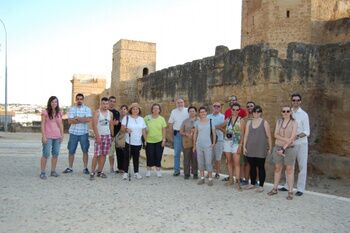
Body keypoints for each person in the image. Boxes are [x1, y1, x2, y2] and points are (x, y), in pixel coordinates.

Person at [279, 93, 310, 197]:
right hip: (290, 144)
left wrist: (295, 137)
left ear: (300, 101)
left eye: (297, 100)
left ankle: (300, 188)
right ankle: (287, 185)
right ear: (291, 101)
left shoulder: (304, 115)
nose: (295, 102)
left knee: (302, 166)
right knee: (289, 165)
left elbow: (307, 131)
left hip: (301, 144)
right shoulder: (288, 112)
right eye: (294, 100)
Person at [268, 106, 298, 200]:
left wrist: (283, 148)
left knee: (289, 169)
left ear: (290, 112)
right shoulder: (279, 122)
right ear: (281, 112)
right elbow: (275, 135)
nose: (285, 112)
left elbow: (293, 137)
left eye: (287, 111)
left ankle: (290, 191)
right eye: (284, 111)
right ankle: (275, 188)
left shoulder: (294, 123)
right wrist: (286, 140)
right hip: (278, 147)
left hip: (289, 149)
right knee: (277, 168)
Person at [243, 105, 272, 192]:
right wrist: (244, 146)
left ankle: (261, 185)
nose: (256, 113)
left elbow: (269, 136)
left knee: (261, 167)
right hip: (250, 148)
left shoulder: (265, 123)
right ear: (252, 113)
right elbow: (246, 135)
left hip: (261, 148)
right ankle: (252, 183)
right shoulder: (249, 122)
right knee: (252, 166)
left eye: (258, 112)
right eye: (255, 111)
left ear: (261, 113)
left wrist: (270, 147)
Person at [63, 93, 92, 174]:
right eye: (78, 99)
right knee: (71, 151)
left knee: (85, 151)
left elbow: (89, 119)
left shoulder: (87, 109)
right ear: (76, 100)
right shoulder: (72, 109)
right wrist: (83, 119)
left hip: (84, 133)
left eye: (81, 99)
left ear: (83, 100)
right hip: (73, 133)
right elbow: (70, 121)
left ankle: (85, 168)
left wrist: (77, 118)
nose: (79, 100)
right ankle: (70, 168)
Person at [40, 96, 64, 179]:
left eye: (56, 102)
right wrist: (43, 136)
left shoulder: (59, 112)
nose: (54, 103)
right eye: (53, 102)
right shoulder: (45, 112)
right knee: (46, 154)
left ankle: (53, 171)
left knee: (55, 154)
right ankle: (42, 172)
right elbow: (42, 125)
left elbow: (61, 125)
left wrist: (62, 135)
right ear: (50, 102)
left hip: (57, 136)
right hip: (48, 136)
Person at [222, 103, 245, 191]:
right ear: (231, 110)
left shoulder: (241, 120)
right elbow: (220, 126)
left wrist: (241, 145)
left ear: (239, 111)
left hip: (236, 143)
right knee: (229, 161)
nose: (235, 111)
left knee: (237, 163)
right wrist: (225, 132)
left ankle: (238, 181)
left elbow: (243, 133)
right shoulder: (227, 119)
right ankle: (231, 179)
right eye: (233, 109)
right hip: (227, 142)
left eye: (237, 110)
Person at [90, 97, 114, 180]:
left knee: (104, 155)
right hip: (99, 136)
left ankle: (100, 171)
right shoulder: (97, 113)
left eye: (106, 104)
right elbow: (94, 126)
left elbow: (111, 125)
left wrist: (112, 135)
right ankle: (92, 172)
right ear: (101, 104)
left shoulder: (110, 114)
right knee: (96, 155)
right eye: (103, 103)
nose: (105, 105)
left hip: (107, 136)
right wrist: (97, 136)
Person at [121, 103, 147, 180]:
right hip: (128, 141)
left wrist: (145, 140)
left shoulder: (141, 119)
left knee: (136, 158)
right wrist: (126, 129)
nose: (135, 110)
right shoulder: (126, 118)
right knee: (127, 158)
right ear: (131, 110)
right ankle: (125, 173)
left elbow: (143, 130)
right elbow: (122, 129)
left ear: (139, 110)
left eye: (137, 109)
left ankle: (136, 172)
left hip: (138, 142)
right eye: (133, 109)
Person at [193, 106, 216, 186]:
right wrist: (194, 145)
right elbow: (195, 134)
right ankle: (202, 178)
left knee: (208, 162)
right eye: (201, 112)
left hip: (208, 145)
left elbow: (214, 133)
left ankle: (210, 179)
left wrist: (213, 143)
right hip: (199, 144)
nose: (203, 113)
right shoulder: (197, 122)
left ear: (206, 112)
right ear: (199, 113)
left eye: (204, 111)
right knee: (200, 162)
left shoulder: (210, 121)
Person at [144, 103, 167, 178]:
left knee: (158, 155)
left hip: (159, 140)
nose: (156, 110)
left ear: (159, 110)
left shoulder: (162, 119)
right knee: (149, 155)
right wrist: (145, 139)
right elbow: (143, 129)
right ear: (152, 109)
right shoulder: (147, 118)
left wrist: (164, 139)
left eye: (157, 108)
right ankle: (148, 170)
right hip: (149, 140)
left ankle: (158, 170)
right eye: (154, 108)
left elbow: (164, 130)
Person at [168, 97, 189, 176]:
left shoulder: (188, 110)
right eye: (178, 102)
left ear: (184, 103)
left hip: (186, 135)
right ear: (176, 104)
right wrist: (171, 135)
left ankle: (186, 171)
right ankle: (176, 171)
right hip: (177, 135)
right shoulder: (173, 111)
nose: (180, 104)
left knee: (187, 153)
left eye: (181, 102)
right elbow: (170, 124)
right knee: (177, 153)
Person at [180, 106, 198, 179]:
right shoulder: (185, 121)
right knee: (186, 158)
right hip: (187, 141)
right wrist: (186, 134)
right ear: (188, 112)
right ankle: (186, 173)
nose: (192, 112)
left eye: (193, 111)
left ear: (196, 112)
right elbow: (180, 131)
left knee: (195, 158)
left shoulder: (199, 120)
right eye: (190, 111)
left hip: (196, 142)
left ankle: (195, 173)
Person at [207, 102, 225, 179]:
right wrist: (217, 126)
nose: (216, 107)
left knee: (218, 158)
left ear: (220, 107)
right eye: (215, 106)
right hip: (209, 140)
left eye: (218, 106)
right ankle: (209, 172)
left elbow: (224, 128)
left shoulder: (223, 117)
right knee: (209, 158)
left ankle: (217, 172)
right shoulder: (208, 116)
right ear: (212, 107)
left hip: (219, 140)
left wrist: (215, 127)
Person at [240, 101, 256, 185]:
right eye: (248, 106)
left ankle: (255, 181)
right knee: (246, 163)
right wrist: (242, 144)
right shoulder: (244, 119)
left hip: (256, 144)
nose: (250, 107)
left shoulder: (259, 119)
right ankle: (246, 180)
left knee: (256, 164)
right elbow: (242, 133)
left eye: (251, 106)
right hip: (246, 144)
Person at [107, 96, 121, 173]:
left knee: (117, 153)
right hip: (108, 135)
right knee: (111, 153)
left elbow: (117, 123)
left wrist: (111, 122)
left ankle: (119, 168)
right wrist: (112, 123)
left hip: (116, 135)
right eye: (111, 101)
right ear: (108, 101)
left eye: (113, 101)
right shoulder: (105, 111)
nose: (112, 103)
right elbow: (111, 123)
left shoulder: (116, 112)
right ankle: (111, 167)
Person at [114, 104, 128, 174]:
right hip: (118, 137)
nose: (123, 110)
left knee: (124, 154)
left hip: (125, 138)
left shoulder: (129, 119)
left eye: (125, 109)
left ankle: (124, 169)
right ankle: (119, 168)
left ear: (127, 110)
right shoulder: (118, 118)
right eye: (122, 109)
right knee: (118, 153)